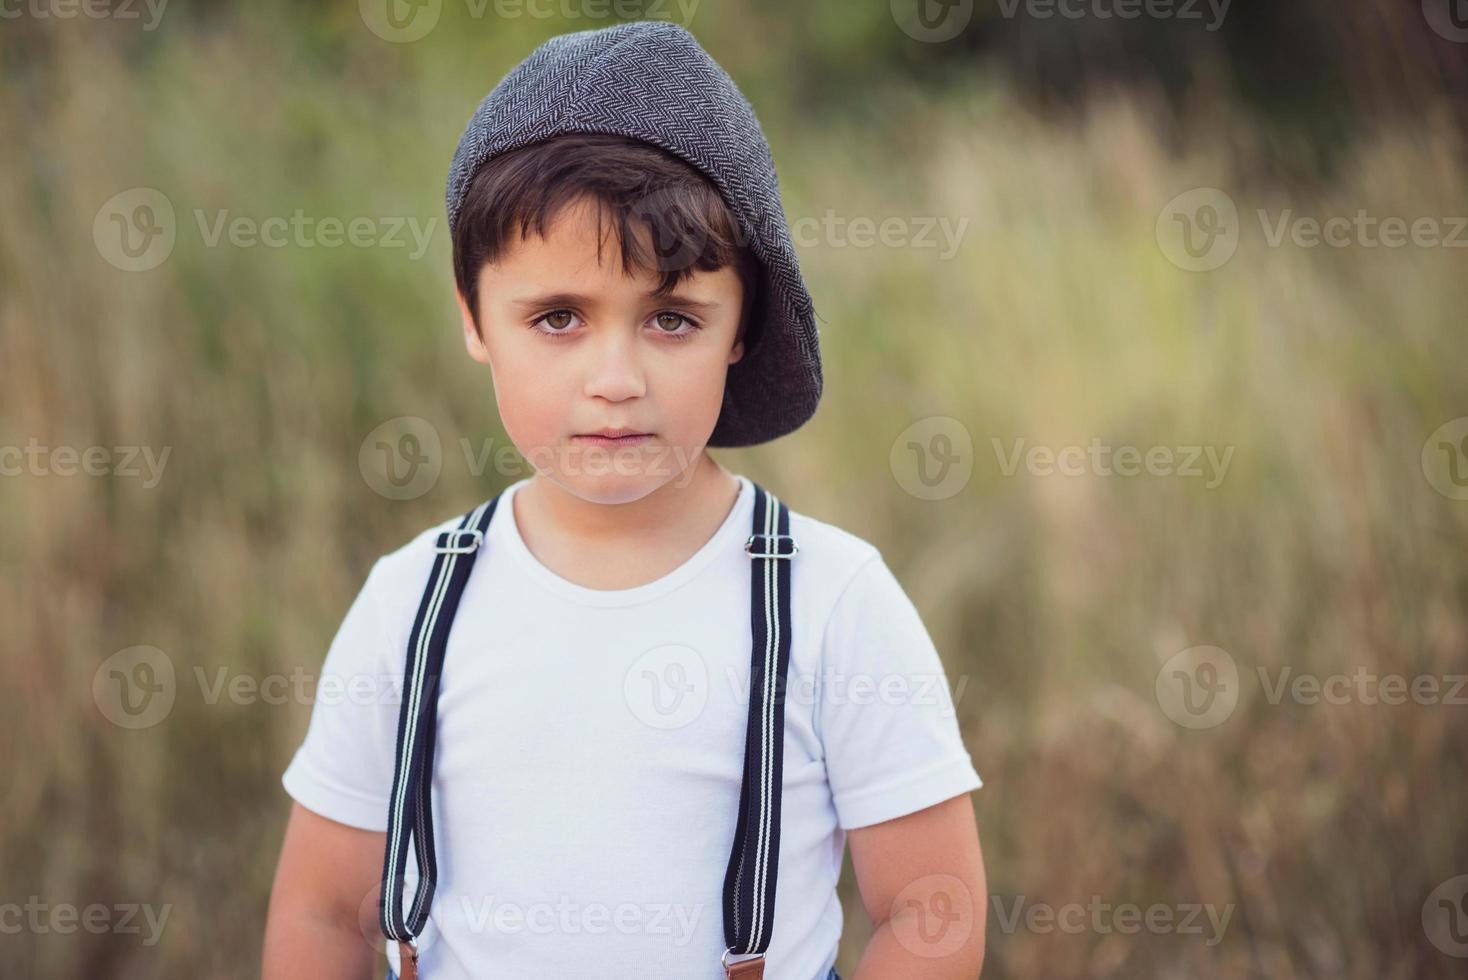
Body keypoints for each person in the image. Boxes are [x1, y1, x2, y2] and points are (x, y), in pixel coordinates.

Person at [262, 20, 986, 980]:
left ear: (741, 328)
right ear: (473, 315)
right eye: (558, 317)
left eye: (672, 319)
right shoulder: (414, 603)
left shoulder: (829, 601)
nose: (616, 378)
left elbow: (929, 913)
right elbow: (323, 916)